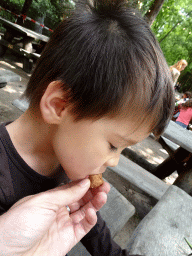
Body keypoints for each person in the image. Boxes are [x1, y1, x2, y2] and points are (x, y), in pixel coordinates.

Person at [0, 0, 175, 255]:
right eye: (114, 145)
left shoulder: (68, 157)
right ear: (59, 106)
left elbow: (86, 216)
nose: (115, 161)